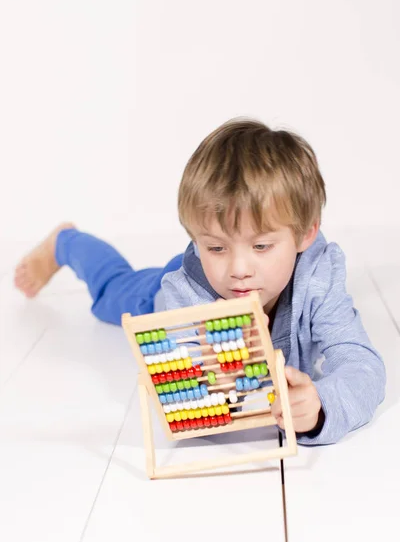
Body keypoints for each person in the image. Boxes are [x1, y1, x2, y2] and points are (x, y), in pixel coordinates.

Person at [14, 118, 385, 445]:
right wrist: (217, 369)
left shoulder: (319, 275)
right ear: (197, 239)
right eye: (217, 246)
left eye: (261, 245)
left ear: (305, 234)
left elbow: (361, 365)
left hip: (218, 268)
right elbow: (190, 412)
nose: (239, 269)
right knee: (112, 291)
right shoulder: (185, 292)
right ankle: (66, 243)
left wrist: (321, 408)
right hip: (171, 287)